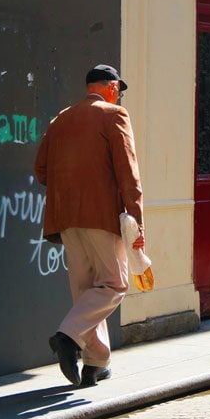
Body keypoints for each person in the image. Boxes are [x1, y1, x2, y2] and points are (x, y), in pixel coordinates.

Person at [34, 64, 145, 387]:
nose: (119, 96)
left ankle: (95, 363)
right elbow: (129, 174)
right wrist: (137, 222)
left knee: (86, 291)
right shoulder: (113, 115)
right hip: (101, 216)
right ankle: (67, 336)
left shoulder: (61, 119)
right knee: (114, 285)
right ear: (111, 87)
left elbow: (41, 170)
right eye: (119, 91)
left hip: (66, 218)